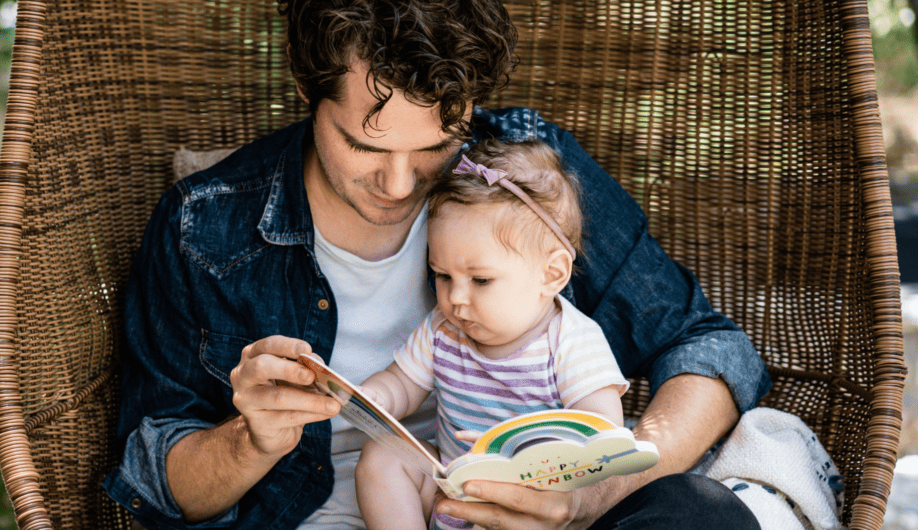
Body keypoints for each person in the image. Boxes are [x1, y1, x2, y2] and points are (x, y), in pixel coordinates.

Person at [101, 1, 771, 529]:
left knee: (702, 514)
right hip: (332, 509)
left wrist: (598, 493)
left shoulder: (523, 178)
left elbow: (709, 345)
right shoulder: (205, 224)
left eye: (436, 145)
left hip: (541, 501)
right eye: (366, 145)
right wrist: (253, 440)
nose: (399, 185)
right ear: (309, 90)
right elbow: (158, 478)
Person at [353, 139, 630, 530]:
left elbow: (602, 431)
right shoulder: (443, 330)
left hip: (526, 506)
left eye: (480, 279)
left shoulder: (570, 341)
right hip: (450, 488)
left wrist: (551, 458)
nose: (455, 298)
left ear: (551, 275)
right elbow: (402, 383)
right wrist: (376, 398)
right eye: (443, 275)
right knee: (382, 456)